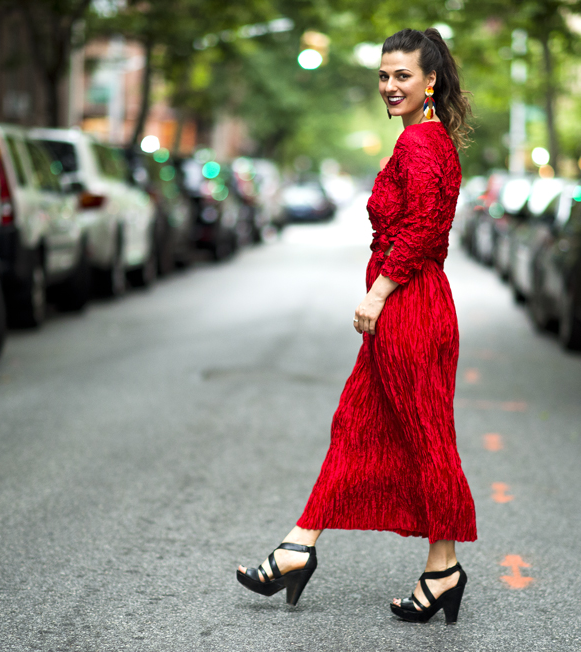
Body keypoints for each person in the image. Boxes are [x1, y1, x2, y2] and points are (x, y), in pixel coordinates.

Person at [236, 27, 477, 624]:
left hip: (411, 307)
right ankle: (300, 546)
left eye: (402, 76)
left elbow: (422, 231)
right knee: (358, 427)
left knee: (426, 439)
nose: (390, 86)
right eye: (383, 74)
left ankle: (441, 570)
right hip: (415, 305)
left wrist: (377, 293)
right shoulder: (427, 139)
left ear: (430, 82)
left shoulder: (421, 146)